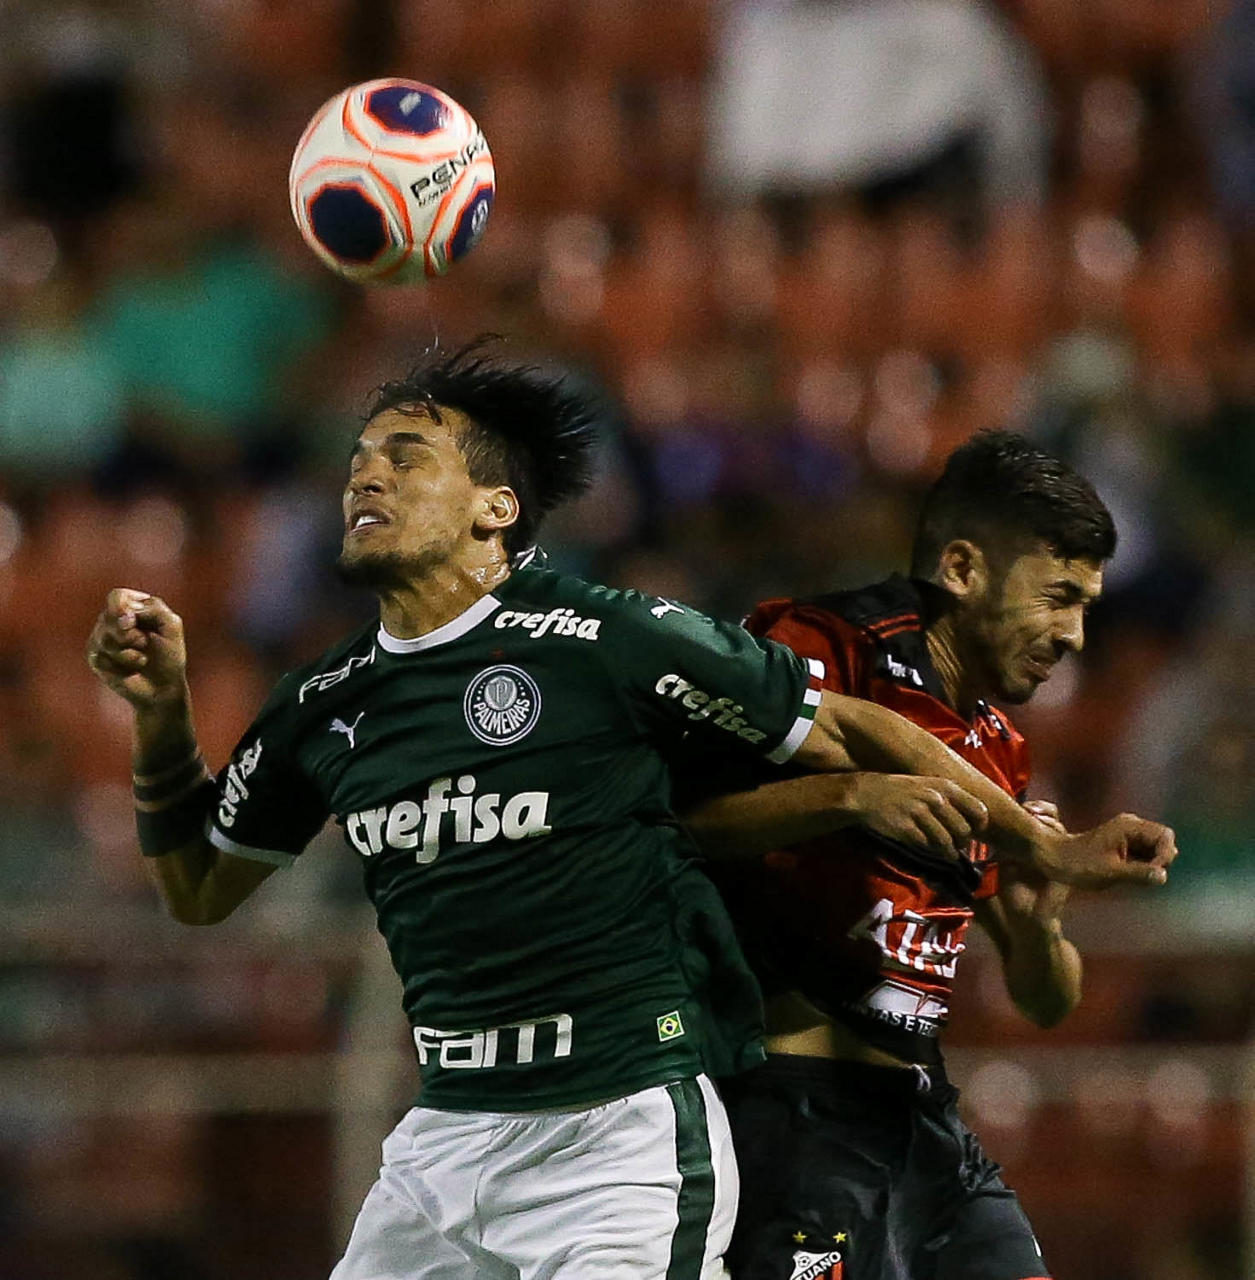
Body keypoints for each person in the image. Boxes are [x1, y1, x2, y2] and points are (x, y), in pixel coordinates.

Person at [86, 348, 1172, 1280]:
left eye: (405, 457)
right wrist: (161, 714)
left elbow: (855, 726)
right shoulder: (323, 704)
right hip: (442, 1138)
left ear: (494, 508)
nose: (365, 474)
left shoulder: (605, 638)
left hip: (615, 1140)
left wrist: (1038, 844)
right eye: (360, 458)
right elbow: (197, 885)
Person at [677, 430, 1143, 1280]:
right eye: (1057, 598)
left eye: (1085, 605)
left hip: (923, 1122)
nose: (1074, 635)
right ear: (961, 568)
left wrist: (1037, 925)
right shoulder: (823, 650)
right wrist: (851, 794)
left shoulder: (998, 747)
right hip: (792, 1114)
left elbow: (1044, 1001)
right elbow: (679, 823)